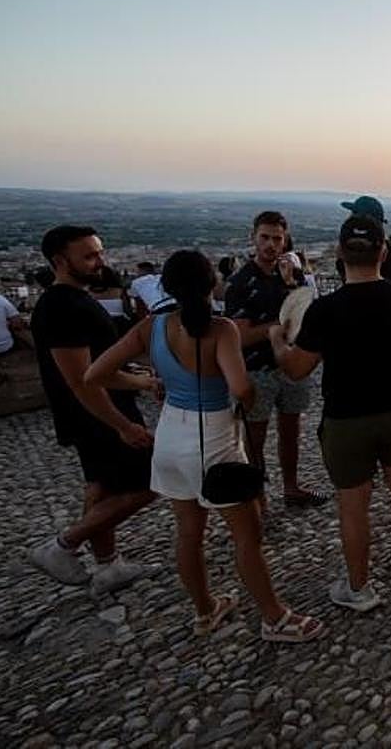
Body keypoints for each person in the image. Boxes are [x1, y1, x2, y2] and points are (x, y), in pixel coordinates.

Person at [84, 250, 322, 642]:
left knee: (188, 533)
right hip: (213, 436)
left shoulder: (150, 328)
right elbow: (241, 387)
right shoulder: (220, 330)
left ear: (168, 287)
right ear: (212, 283)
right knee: (247, 536)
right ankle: (275, 618)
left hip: (170, 436)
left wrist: (145, 383)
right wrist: (245, 405)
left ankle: (205, 610)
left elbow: (96, 373)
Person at [271, 216, 391, 611]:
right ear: (383, 252)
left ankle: (359, 589)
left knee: (353, 503)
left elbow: (296, 370)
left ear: (341, 254)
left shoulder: (325, 310)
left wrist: (278, 342)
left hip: (347, 417)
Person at [28, 225, 157, 593]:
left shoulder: (72, 300)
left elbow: (97, 365)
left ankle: (108, 564)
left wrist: (134, 378)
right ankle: (62, 545)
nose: (100, 261)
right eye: (89, 255)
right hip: (97, 414)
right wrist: (123, 424)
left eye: (99, 252)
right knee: (149, 483)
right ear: (59, 261)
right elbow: (83, 379)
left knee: (100, 486)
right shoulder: (62, 307)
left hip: (93, 412)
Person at [224, 211, 325, 508]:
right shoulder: (240, 283)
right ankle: (259, 496)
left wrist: (294, 286)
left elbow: (306, 314)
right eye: (265, 237)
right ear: (253, 237)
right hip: (257, 369)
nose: (271, 245)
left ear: (285, 241)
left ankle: (291, 488)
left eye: (277, 239)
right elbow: (239, 336)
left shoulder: (294, 278)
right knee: (255, 438)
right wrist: (275, 329)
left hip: (293, 365)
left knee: (291, 431)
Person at [88, 266, 133, 335]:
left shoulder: (88, 293)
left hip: (97, 325)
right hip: (119, 324)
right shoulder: (119, 291)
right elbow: (128, 311)